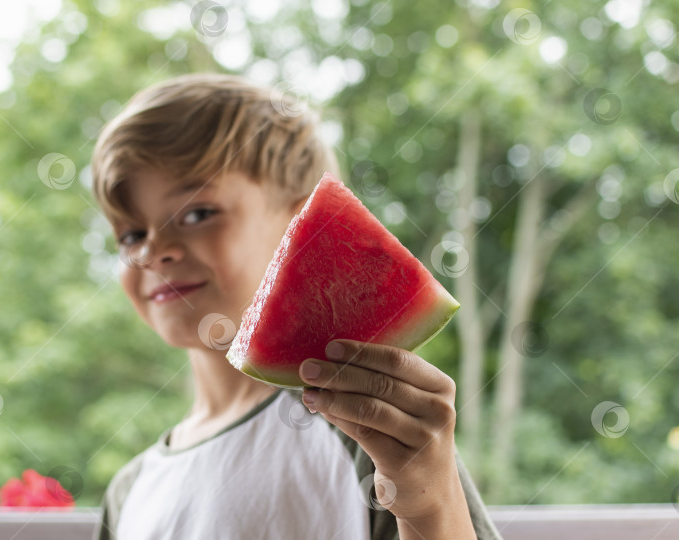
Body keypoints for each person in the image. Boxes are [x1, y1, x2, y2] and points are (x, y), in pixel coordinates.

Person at [89, 72, 503, 540]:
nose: (152, 249)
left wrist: (431, 504)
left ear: (301, 223)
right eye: (131, 234)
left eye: (196, 213)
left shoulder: (364, 423)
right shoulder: (129, 491)